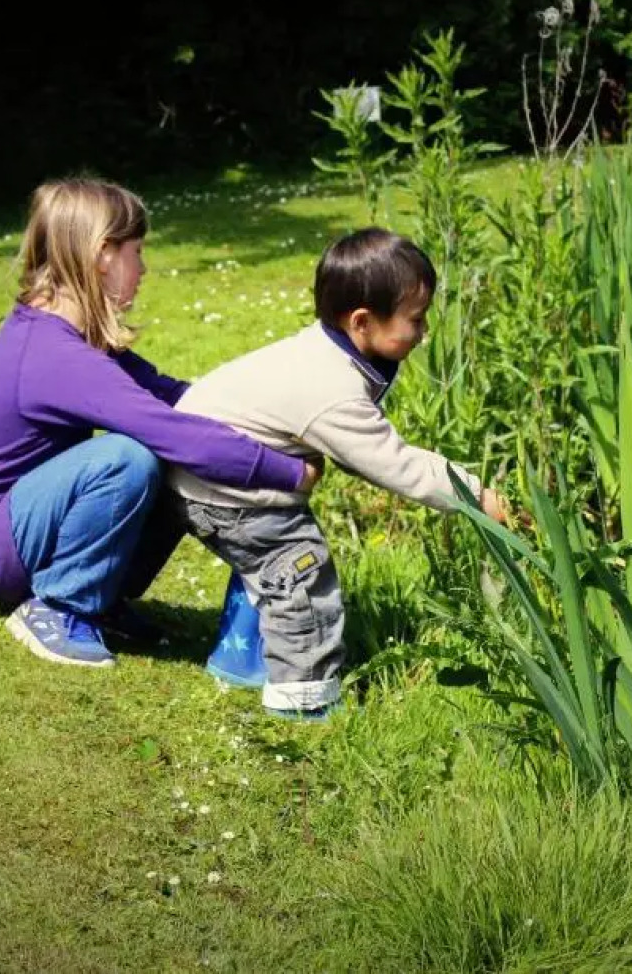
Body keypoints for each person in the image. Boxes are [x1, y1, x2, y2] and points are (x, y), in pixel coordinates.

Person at [0, 177, 320, 668]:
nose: (144, 267)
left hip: (17, 525)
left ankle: (99, 597)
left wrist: (270, 425)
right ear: (102, 254)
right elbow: (173, 431)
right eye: (137, 251)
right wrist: (285, 471)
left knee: (156, 452)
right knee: (128, 457)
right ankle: (61, 606)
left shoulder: (76, 337)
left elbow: (179, 400)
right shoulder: (56, 355)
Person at [169, 227, 507, 718]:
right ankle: (303, 697)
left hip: (204, 469)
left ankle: (242, 658)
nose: (425, 330)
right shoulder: (331, 388)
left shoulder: (329, 351)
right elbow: (398, 465)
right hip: (221, 487)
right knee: (298, 568)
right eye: (416, 319)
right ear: (363, 321)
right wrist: (476, 496)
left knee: (269, 566)